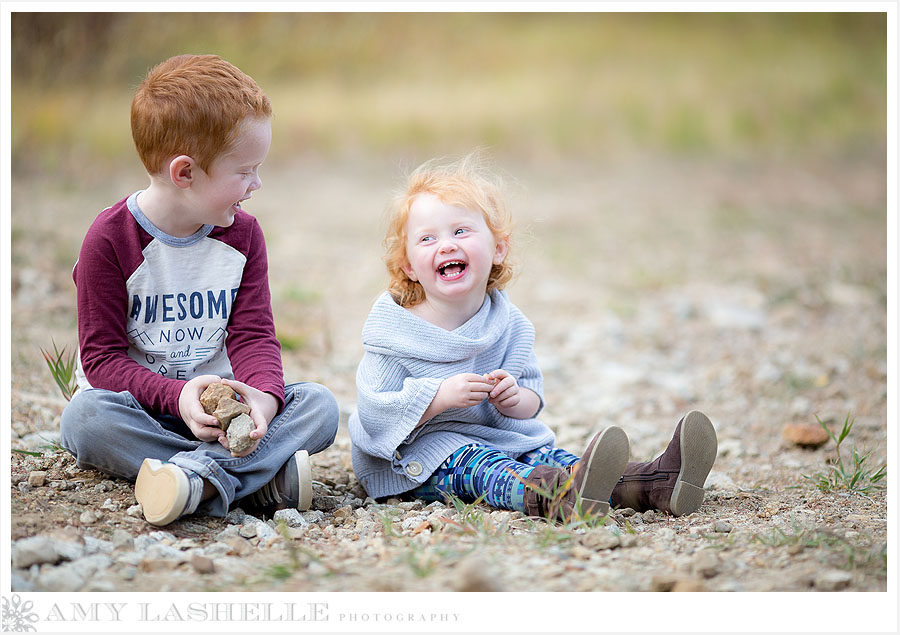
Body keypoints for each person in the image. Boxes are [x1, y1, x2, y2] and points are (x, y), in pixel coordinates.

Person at [349, 152, 717, 521]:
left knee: (549, 458)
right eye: (427, 238)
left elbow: (531, 400)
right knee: (482, 466)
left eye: (461, 231)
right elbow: (374, 414)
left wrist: (513, 398)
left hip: (500, 438)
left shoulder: (509, 323)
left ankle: (654, 483)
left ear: (498, 249)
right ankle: (558, 497)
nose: (446, 245)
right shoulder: (394, 331)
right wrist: (439, 397)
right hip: (419, 458)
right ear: (409, 266)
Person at [59, 54, 339, 527]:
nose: (257, 184)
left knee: (321, 406)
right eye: (245, 170)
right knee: (84, 419)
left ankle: (191, 483)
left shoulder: (243, 234)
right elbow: (102, 361)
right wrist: (178, 396)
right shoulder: (108, 240)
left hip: (230, 422)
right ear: (184, 173)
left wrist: (264, 398)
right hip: (148, 411)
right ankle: (258, 480)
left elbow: (253, 334)